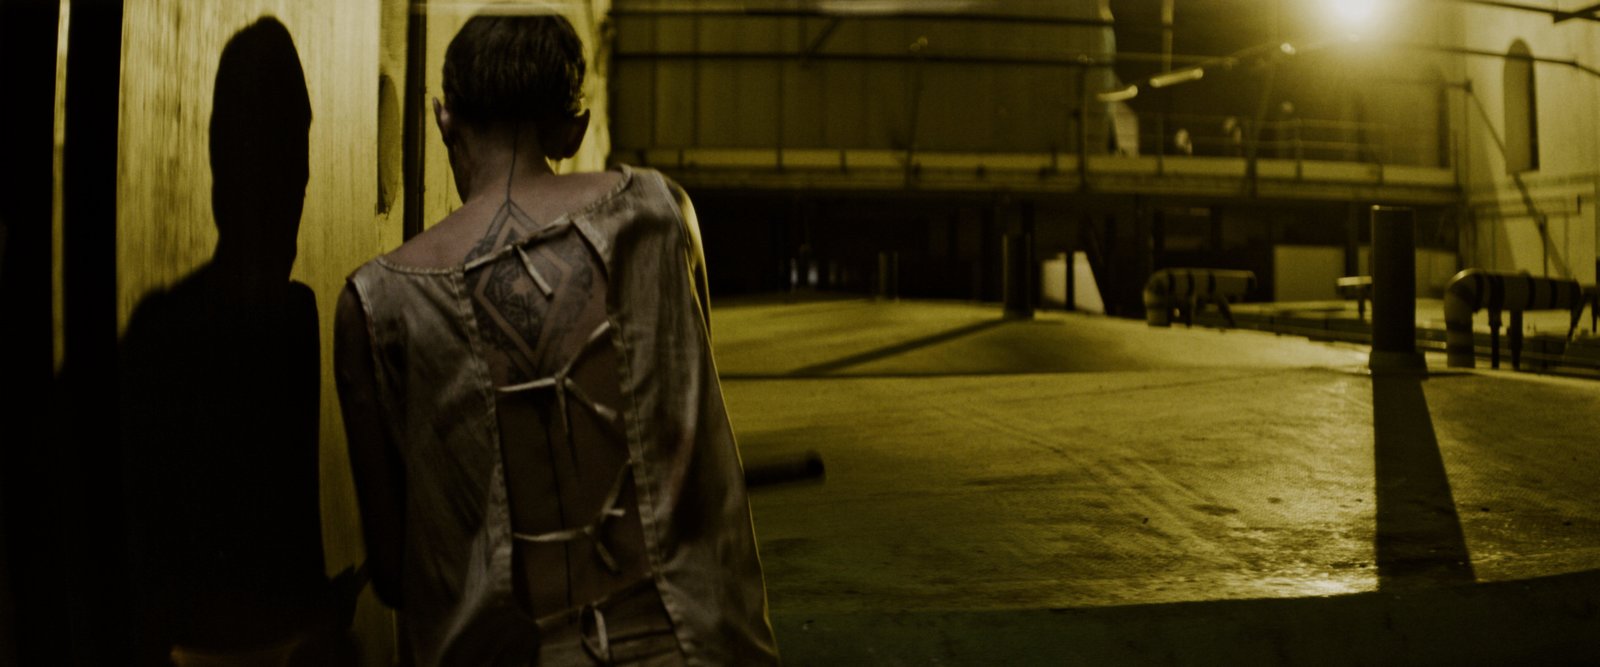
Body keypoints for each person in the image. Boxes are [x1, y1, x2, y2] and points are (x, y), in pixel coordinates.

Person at [333, 13, 778, 666]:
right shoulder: (661, 215)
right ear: (574, 130)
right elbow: (691, 419)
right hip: (695, 648)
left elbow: (398, 576)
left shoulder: (375, 303)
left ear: (442, 119)